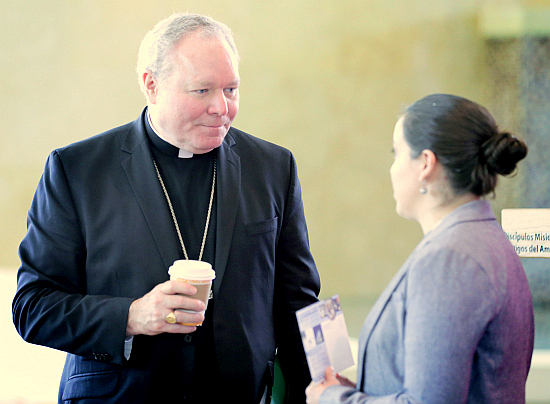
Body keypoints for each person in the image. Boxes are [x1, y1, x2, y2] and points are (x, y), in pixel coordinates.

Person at [13, 12, 320, 403]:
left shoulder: (273, 167)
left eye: (231, 89)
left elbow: (300, 300)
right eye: (202, 91)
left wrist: (320, 389)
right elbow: (33, 307)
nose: (220, 108)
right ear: (151, 85)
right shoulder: (78, 171)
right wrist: (132, 315)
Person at [306, 94, 534, 403]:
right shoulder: (485, 240)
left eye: (396, 153)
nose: (391, 169)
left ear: (426, 163)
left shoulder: (451, 258)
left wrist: (333, 399)